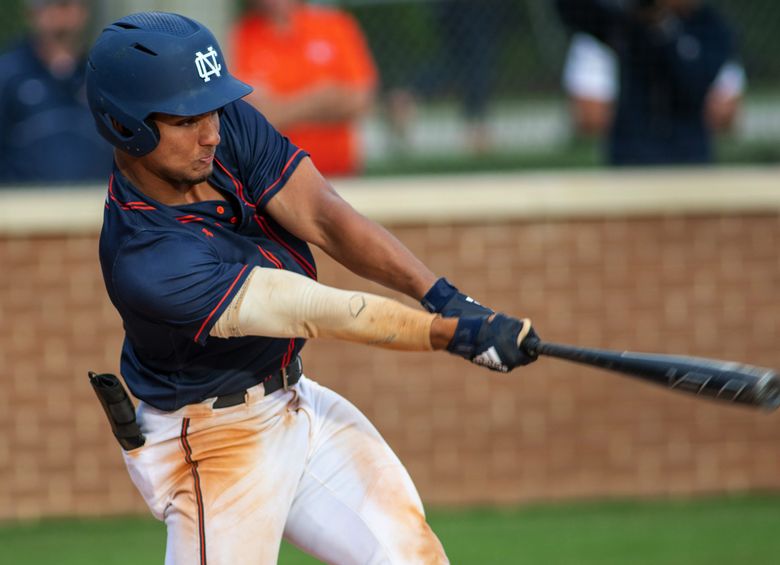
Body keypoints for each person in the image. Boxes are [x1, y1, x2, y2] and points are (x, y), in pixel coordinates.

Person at [86, 12, 538, 564]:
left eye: (210, 111)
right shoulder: (147, 258)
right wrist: (449, 334)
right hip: (212, 443)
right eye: (186, 120)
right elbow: (312, 310)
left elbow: (325, 217)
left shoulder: (223, 128)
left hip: (296, 403)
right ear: (125, 125)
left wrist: (447, 299)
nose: (212, 133)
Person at [556, 0, 741, 165]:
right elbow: (573, 11)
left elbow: (695, 83)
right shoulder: (625, 23)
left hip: (690, 160)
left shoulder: (711, 27)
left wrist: (663, 27)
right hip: (630, 161)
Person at [230, 0, 377, 177]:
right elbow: (247, 118)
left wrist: (278, 109)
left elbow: (359, 100)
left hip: (339, 173)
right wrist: (322, 98)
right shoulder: (240, 35)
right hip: (273, 180)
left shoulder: (334, 24)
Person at [0, 0, 112, 184]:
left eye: (65, 5)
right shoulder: (8, 73)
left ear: (83, 11)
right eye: (48, 5)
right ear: (31, 13)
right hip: (22, 207)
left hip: (94, 204)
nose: (58, 14)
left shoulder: (105, 74)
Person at [562, 31, 745, 140]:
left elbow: (725, 114)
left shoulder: (708, 27)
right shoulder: (607, 28)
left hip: (693, 163)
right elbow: (590, 118)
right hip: (628, 164)